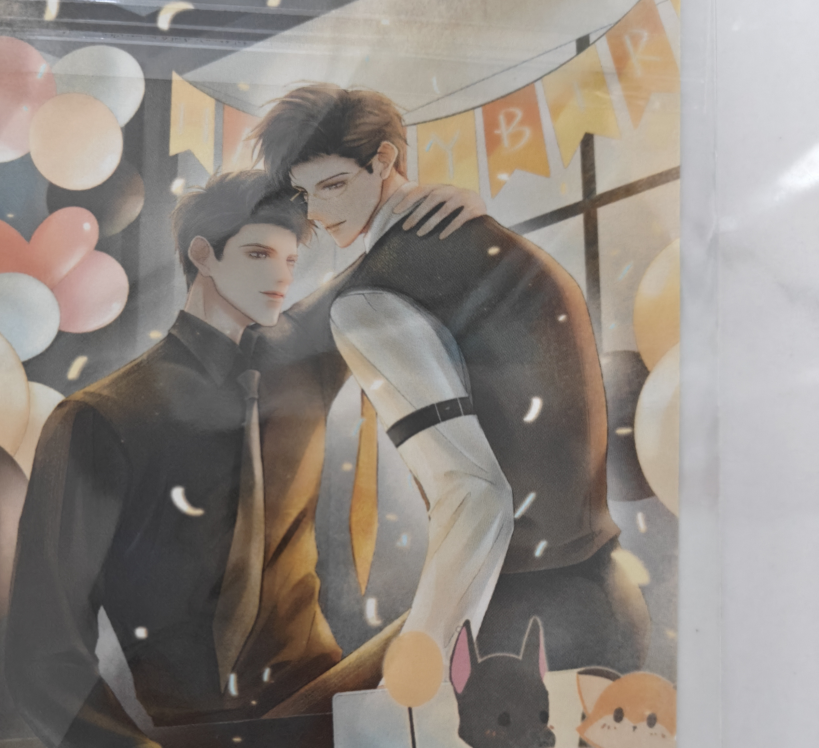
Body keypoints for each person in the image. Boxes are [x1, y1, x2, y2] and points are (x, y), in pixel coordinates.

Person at [4, 168, 484, 748]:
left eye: (292, 258)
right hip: (197, 744)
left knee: (463, 603)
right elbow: (41, 646)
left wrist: (462, 211)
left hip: (335, 719)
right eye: (259, 253)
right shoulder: (100, 420)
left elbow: (404, 259)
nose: (280, 275)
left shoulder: (304, 357)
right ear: (202, 255)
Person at [250, 84, 650, 685]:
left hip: (518, 633)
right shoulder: (483, 238)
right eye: (304, 195)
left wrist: (426, 654)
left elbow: (474, 494)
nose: (317, 213)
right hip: (605, 595)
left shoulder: (369, 301)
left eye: (332, 185)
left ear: (384, 160)